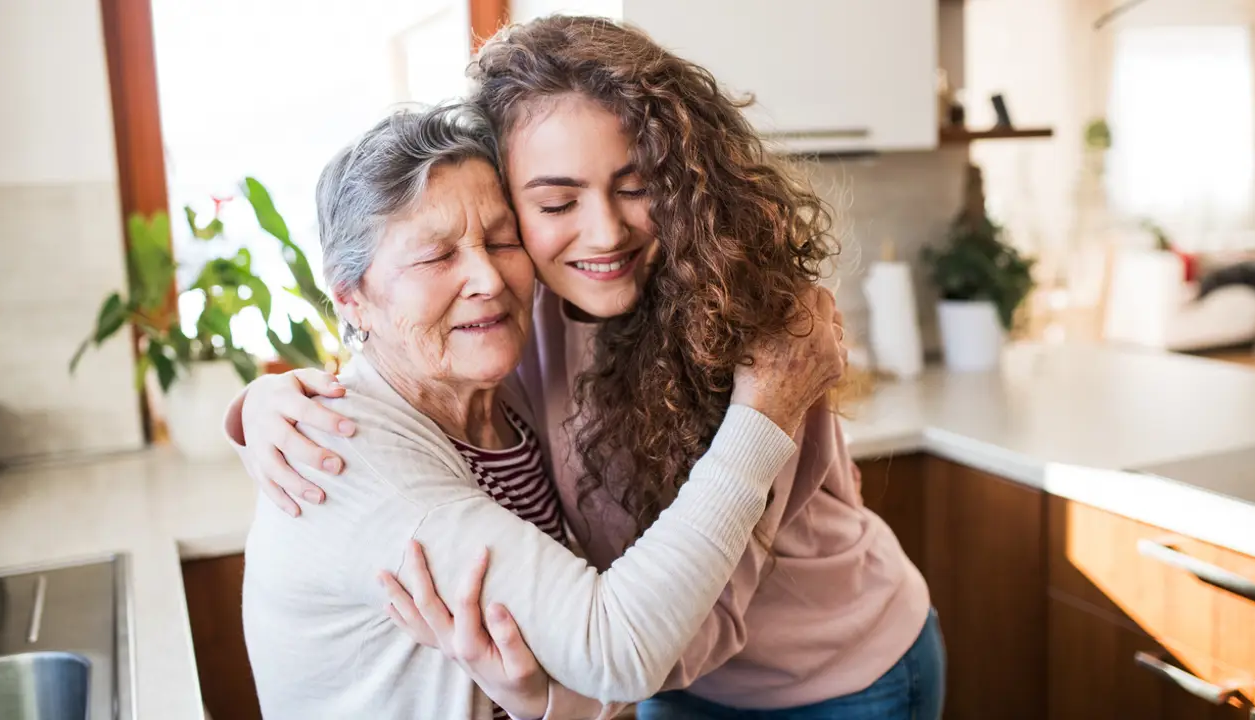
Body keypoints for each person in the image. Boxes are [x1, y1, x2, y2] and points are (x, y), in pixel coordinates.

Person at [229, 15, 945, 720]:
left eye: (635, 186)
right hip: (660, 678)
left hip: (837, 676)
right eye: (556, 201)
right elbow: (396, 355)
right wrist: (260, 407)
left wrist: (556, 700)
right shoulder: (515, 314)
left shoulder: (749, 329)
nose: (603, 231)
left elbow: (693, 622)